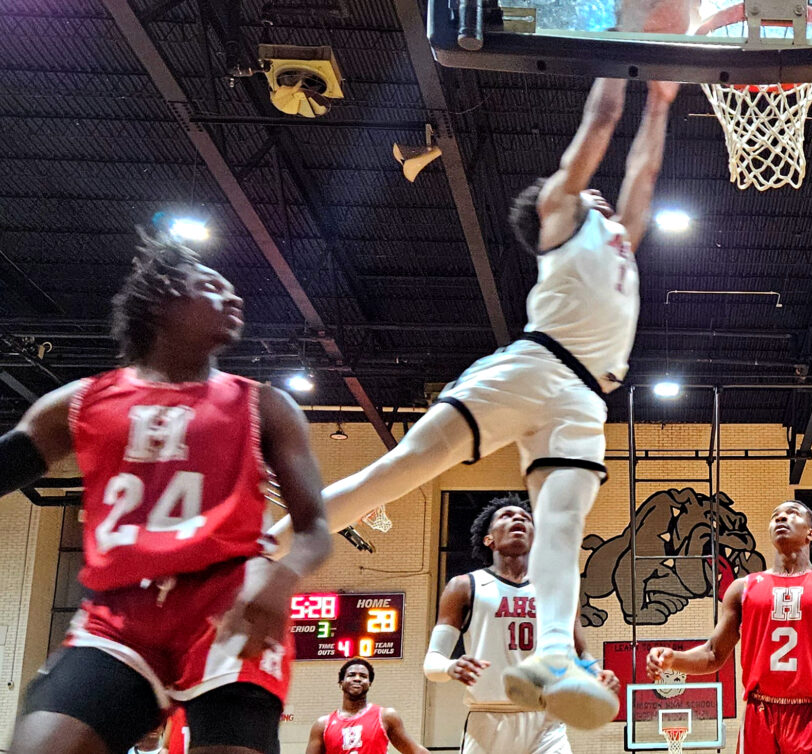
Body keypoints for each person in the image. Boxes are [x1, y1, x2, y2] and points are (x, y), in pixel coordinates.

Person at [268, 72, 678, 730]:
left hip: (584, 398)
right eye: (579, 186)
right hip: (532, 366)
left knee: (562, 528)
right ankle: (264, 545)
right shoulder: (560, 219)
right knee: (398, 474)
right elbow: (601, 125)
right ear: (553, 202)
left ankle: (550, 656)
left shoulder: (619, 239)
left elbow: (644, 170)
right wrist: (617, 59)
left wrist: (660, 99)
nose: (597, 189)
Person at [2, 231, 332, 754]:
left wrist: (282, 579)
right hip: (118, 617)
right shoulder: (80, 402)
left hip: (229, 610)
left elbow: (315, 527)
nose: (234, 298)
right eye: (211, 286)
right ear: (160, 300)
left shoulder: (264, 406)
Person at [647, 500, 812, 754]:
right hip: (759, 715)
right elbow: (713, 653)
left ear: (810, 534)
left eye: (792, 514)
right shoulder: (743, 589)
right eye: (775, 515)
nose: (781, 518)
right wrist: (673, 660)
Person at [424, 495, 620, 753]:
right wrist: (450, 666)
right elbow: (432, 662)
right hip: (487, 719)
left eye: (526, 518)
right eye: (506, 516)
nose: (518, 518)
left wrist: (597, 674)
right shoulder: (464, 586)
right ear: (489, 539)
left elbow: (579, 652)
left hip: (546, 721)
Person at [304, 659, 428, 754]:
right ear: (341, 682)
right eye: (351, 675)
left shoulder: (386, 716)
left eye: (363, 676)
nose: (357, 679)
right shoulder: (322, 725)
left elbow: (415, 751)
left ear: (369, 683)